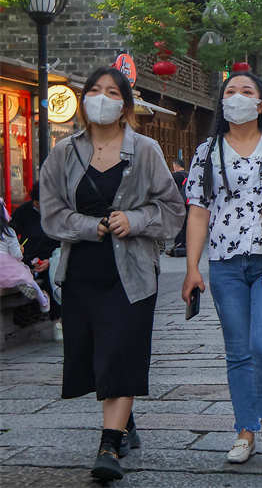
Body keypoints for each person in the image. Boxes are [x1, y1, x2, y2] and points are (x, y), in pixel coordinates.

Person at [40, 67, 185, 481]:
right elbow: (50, 213)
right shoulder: (64, 153)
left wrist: (134, 220)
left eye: (111, 92)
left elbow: (173, 209)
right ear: (84, 99)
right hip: (82, 271)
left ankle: (109, 446)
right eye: (94, 90)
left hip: (133, 274)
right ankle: (124, 420)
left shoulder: (145, 150)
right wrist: (92, 226)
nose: (101, 97)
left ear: (125, 105)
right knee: (97, 360)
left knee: (121, 352)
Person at [182, 71, 262, 464]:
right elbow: (199, 211)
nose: (236, 97)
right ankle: (244, 429)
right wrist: (192, 268)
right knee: (238, 351)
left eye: (246, 91)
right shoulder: (207, 151)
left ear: (261, 103)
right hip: (224, 262)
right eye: (230, 91)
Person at [10, 181, 61, 337]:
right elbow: (10, 234)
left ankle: (58, 319)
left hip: (51, 257)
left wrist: (48, 262)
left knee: (55, 275)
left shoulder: (57, 213)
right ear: (35, 201)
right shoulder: (23, 212)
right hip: (29, 259)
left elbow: (62, 241)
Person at [1, 197, 50, 312]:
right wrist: (21, 250)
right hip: (8, 269)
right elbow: (17, 255)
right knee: (26, 279)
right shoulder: (9, 232)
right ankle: (43, 301)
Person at [167, 158, 189, 256]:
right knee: (186, 225)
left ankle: (179, 245)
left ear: (175, 165)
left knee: (179, 225)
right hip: (189, 203)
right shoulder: (189, 174)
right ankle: (186, 244)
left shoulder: (175, 176)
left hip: (178, 204)